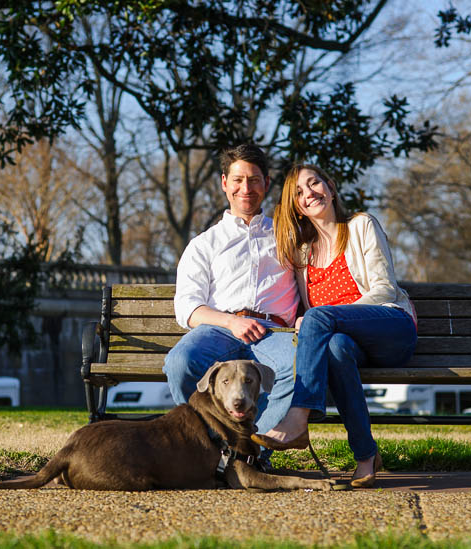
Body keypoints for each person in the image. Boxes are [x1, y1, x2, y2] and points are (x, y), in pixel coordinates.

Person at [252, 164, 417, 488]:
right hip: (350, 345)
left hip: (390, 326)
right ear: (296, 207)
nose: (310, 193)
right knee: (336, 347)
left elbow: (384, 288)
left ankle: (299, 415)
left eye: (314, 183)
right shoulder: (303, 254)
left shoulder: (360, 225)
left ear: (330, 187)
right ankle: (366, 455)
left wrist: (327, 317)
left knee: (318, 317)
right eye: (299, 192)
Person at [163, 144, 300, 440]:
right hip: (220, 330)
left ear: (266, 183)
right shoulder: (204, 244)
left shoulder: (287, 237)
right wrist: (231, 322)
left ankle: (254, 450)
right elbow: (188, 308)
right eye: (237, 180)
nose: (245, 188)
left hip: (274, 332)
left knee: (298, 365)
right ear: (225, 183)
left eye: (253, 179)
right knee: (180, 363)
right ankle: (206, 445)